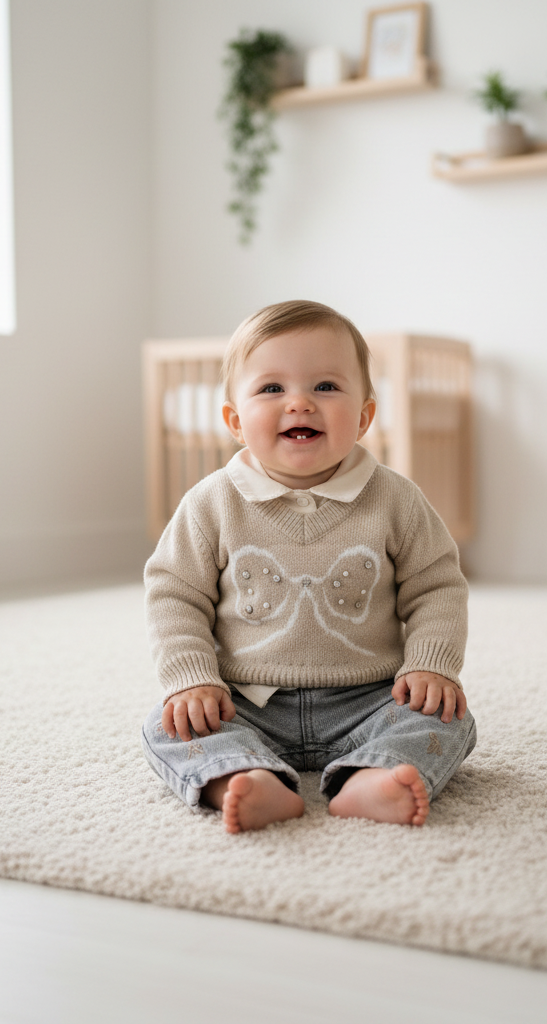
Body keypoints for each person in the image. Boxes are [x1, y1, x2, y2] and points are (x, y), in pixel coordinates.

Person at [142, 300, 476, 832]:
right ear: (234, 420)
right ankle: (245, 779)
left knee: (447, 719)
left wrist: (432, 664)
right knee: (170, 727)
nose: (299, 402)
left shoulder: (395, 499)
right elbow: (174, 594)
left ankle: (373, 777)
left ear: (365, 416)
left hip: (371, 698)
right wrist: (191, 680)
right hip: (245, 702)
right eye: (272, 389)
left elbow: (436, 585)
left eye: (325, 386)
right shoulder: (211, 503)